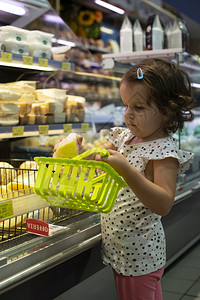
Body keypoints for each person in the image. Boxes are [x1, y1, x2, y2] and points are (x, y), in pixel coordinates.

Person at [54, 58, 195, 300]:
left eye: (138, 107)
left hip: (141, 254)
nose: (128, 115)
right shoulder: (124, 137)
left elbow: (163, 203)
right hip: (122, 249)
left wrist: (126, 170)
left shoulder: (163, 152)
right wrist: (79, 152)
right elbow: (97, 159)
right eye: (126, 106)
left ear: (167, 110)